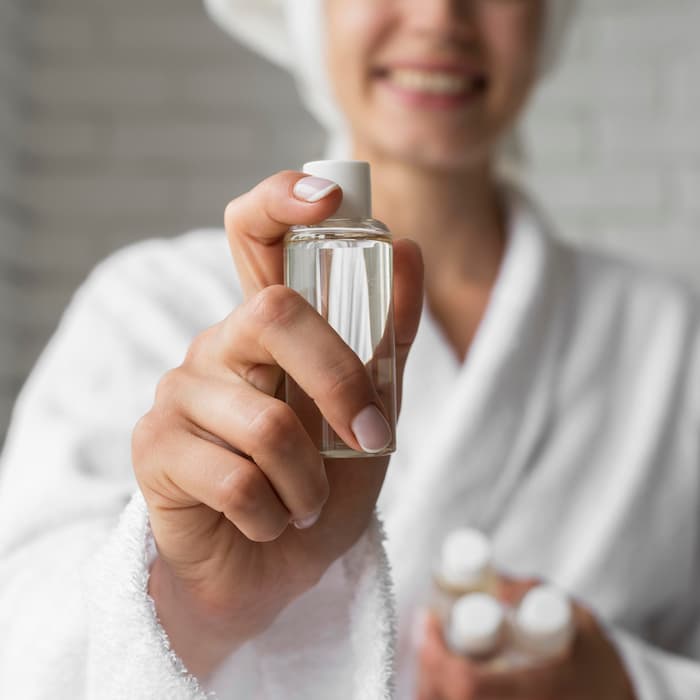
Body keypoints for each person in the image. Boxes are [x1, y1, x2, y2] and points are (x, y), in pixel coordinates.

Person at [0, 0, 699, 698]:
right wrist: (196, 605)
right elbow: (20, 650)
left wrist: (626, 683)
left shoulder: (669, 343)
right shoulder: (148, 307)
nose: (439, 15)